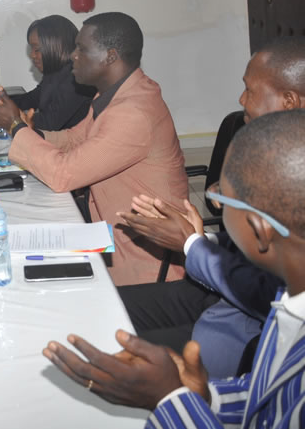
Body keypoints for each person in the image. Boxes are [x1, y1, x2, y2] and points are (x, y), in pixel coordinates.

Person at [42, 109, 305, 428]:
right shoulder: (291, 303)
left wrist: (169, 399)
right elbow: (264, 399)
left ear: (259, 230)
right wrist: (206, 397)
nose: (215, 203)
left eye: (221, 197)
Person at [114, 37, 305, 377]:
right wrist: (200, 237)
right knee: (103, 305)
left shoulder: (294, 169)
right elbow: (256, 246)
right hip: (217, 291)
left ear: (289, 101)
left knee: (111, 351)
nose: (241, 99)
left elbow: (272, 293)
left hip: (242, 329)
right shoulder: (269, 150)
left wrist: (191, 244)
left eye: (250, 90)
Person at [0, 12, 189, 286]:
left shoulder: (133, 112)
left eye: (81, 49)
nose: (72, 56)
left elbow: (63, 175)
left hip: (145, 262)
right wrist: (29, 130)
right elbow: (73, 139)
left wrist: (15, 126)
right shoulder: (116, 93)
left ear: (110, 56)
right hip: (108, 228)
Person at [10, 15, 96, 131]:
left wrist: (11, 117)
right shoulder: (53, 74)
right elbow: (31, 99)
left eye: (37, 49)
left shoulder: (77, 78)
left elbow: (49, 122)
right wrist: (1, 103)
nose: (32, 55)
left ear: (58, 46)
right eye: (31, 49)